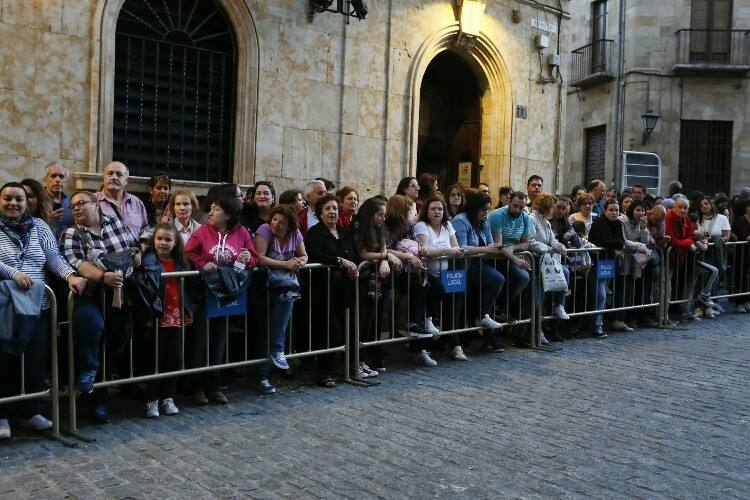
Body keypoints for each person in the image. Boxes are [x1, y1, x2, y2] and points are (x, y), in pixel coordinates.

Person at [0, 183, 85, 440]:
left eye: (19, 199)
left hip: (39, 303)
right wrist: (13, 273)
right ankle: (2, 414)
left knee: (35, 359)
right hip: (5, 305)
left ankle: (31, 411)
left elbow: (54, 257)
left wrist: (70, 276)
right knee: (4, 360)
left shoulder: (40, 227)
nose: (13, 203)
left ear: (28, 202)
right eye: (7, 198)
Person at [60, 189, 140, 423]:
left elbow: (132, 246)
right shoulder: (72, 232)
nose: (75, 208)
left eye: (81, 203)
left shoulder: (115, 222)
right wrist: (103, 275)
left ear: (96, 205)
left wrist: (136, 253)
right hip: (91, 294)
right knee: (91, 329)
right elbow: (78, 262)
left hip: (120, 294)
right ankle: (92, 392)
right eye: (72, 205)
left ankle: (100, 400)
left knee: (112, 345)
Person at [185, 195, 258, 404]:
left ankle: (214, 385)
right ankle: (196, 387)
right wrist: (201, 264)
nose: (211, 213)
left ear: (228, 214)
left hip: (228, 295)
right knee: (200, 341)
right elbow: (188, 253)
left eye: (216, 209)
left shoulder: (242, 232)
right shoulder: (202, 232)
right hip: (205, 293)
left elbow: (253, 258)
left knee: (219, 340)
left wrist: (247, 260)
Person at [139, 223, 194, 418]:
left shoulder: (181, 261)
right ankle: (151, 399)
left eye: (168, 239)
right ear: (154, 240)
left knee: (174, 357)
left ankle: (168, 397)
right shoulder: (147, 261)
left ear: (176, 242)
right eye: (159, 238)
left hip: (176, 315)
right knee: (154, 358)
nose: (163, 243)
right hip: (157, 315)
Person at [304, 194, 359, 387]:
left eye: (335, 208)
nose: (332, 212)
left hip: (344, 288)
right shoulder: (315, 233)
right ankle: (323, 371)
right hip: (323, 288)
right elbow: (316, 254)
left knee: (344, 327)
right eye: (327, 208)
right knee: (329, 330)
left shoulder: (344, 232)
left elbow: (352, 254)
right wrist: (339, 261)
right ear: (320, 212)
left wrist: (352, 267)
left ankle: (340, 368)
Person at [253, 205, 307, 395]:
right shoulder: (264, 230)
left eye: (281, 222)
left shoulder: (295, 234)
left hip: (285, 286)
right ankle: (262, 375)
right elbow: (258, 258)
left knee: (280, 324)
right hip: (264, 286)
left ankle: (276, 352)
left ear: (289, 226)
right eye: (274, 219)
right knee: (265, 329)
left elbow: (303, 254)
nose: (276, 224)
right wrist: (286, 264)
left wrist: (300, 262)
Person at [351, 196, 401, 378]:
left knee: (370, 322)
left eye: (384, 215)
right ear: (370, 213)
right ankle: (354, 362)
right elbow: (363, 253)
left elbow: (384, 248)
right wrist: (384, 258)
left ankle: (363, 360)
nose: (382, 218)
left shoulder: (379, 228)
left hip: (375, 281)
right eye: (379, 214)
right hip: (362, 279)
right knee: (361, 321)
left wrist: (384, 257)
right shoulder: (358, 227)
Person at [413, 195, 468, 360]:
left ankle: (454, 344)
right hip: (426, 274)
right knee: (428, 306)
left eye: (440, 209)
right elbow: (425, 251)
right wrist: (446, 251)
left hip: (446, 273)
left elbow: (456, 246)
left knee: (455, 305)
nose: (437, 212)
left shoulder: (447, 225)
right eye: (433, 209)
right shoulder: (422, 226)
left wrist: (454, 251)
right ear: (426, 211)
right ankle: (421, 348)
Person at [451, 191, 505, 350]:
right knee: (456, 304)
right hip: (458, 268)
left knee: (497, 279)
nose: (486, 212)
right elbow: (461, 247)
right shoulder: (460, 221)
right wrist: (486, 249)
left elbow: (489, 242)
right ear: (475, 208)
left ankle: (482, 316)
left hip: (476, 266)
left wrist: (494, 247)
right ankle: (454, 342)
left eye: (488, 209)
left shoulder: (484, 222)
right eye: (483, 209)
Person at [665, 197, 717, 322]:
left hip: (679, 258)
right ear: (674, 207)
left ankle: (701, 299)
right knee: (666, 288)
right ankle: (664, 316)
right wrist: (691, 243)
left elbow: (690, 234)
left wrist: (699, 240)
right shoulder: (669, 218)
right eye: (680, 207)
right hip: (668, 258)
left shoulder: (685, 218)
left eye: (685, 208)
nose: (683, 210)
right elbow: (671, 239)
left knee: (708, 274)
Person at [528, 193, 570, 341]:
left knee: (565, 271)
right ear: (547, 207)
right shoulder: (531, 219)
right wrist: (547, 248)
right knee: (537, 299)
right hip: (535, 262)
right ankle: (535, 331)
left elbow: (552, 240)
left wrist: (560, 246)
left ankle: (559, 305)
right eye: (553, 206)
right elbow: (531, 242)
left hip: (546, 263)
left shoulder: (545, 222)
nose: (555, 210)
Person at [487, 191, 533, 325]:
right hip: (496, 258)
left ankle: (503, 308)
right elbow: (499, 245)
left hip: (512, 254)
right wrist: (515, 259)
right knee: (522, 277)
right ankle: (499, 308)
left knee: (527, 278)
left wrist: (512, 248)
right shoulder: (497, 215)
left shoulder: (525, 217)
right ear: (508, 202)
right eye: (515, 206)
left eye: (521, 207)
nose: (518, 210)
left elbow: (525, 243)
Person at [616, 200, 657, 329]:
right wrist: (640, 246)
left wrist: (644, 230)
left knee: (631, 290)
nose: (640, 213)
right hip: (624, 258)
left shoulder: (642, 224)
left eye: (643, 210)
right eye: (637, 210)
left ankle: (629, 318)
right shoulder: (622, 221)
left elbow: (646, 241)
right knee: (623, 289)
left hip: (636, 260)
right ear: (632, 210)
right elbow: (624, 240)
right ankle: (619, 318)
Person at [587, 200, 625, 339]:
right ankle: (595, 325)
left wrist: (615, 245)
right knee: (600, 295)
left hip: (609, 264)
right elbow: (602, 241)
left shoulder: (618, 223)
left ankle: (598, 323)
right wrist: (614, 245)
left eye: (616, 210)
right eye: (611, 210)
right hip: (597, 263)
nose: (614, 213)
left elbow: (621, 241)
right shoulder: (598, 223)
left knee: (603, 296)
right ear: (605, 210)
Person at [96, 161, 149, 242]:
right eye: (110, 173)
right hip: (106, 253)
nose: (114, 177)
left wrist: (143, 246)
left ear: (126, 180)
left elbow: (144, 229)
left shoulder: (136, 202)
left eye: (119, 174)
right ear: (104, 177)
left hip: (135, 252)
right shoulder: (91, 200)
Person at [43, 162, 74, 236]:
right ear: (45, 180)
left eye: (61, 176)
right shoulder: (38, 200)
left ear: (65, 181)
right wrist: (48, 220)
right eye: (53, 176)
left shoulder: (71, 201)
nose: (58, 180)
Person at [731, 198, 750, 313]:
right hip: (742, 254)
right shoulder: (741, 220)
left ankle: (747, 300)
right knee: (741, 277)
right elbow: (745, 236)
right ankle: (740, 302)